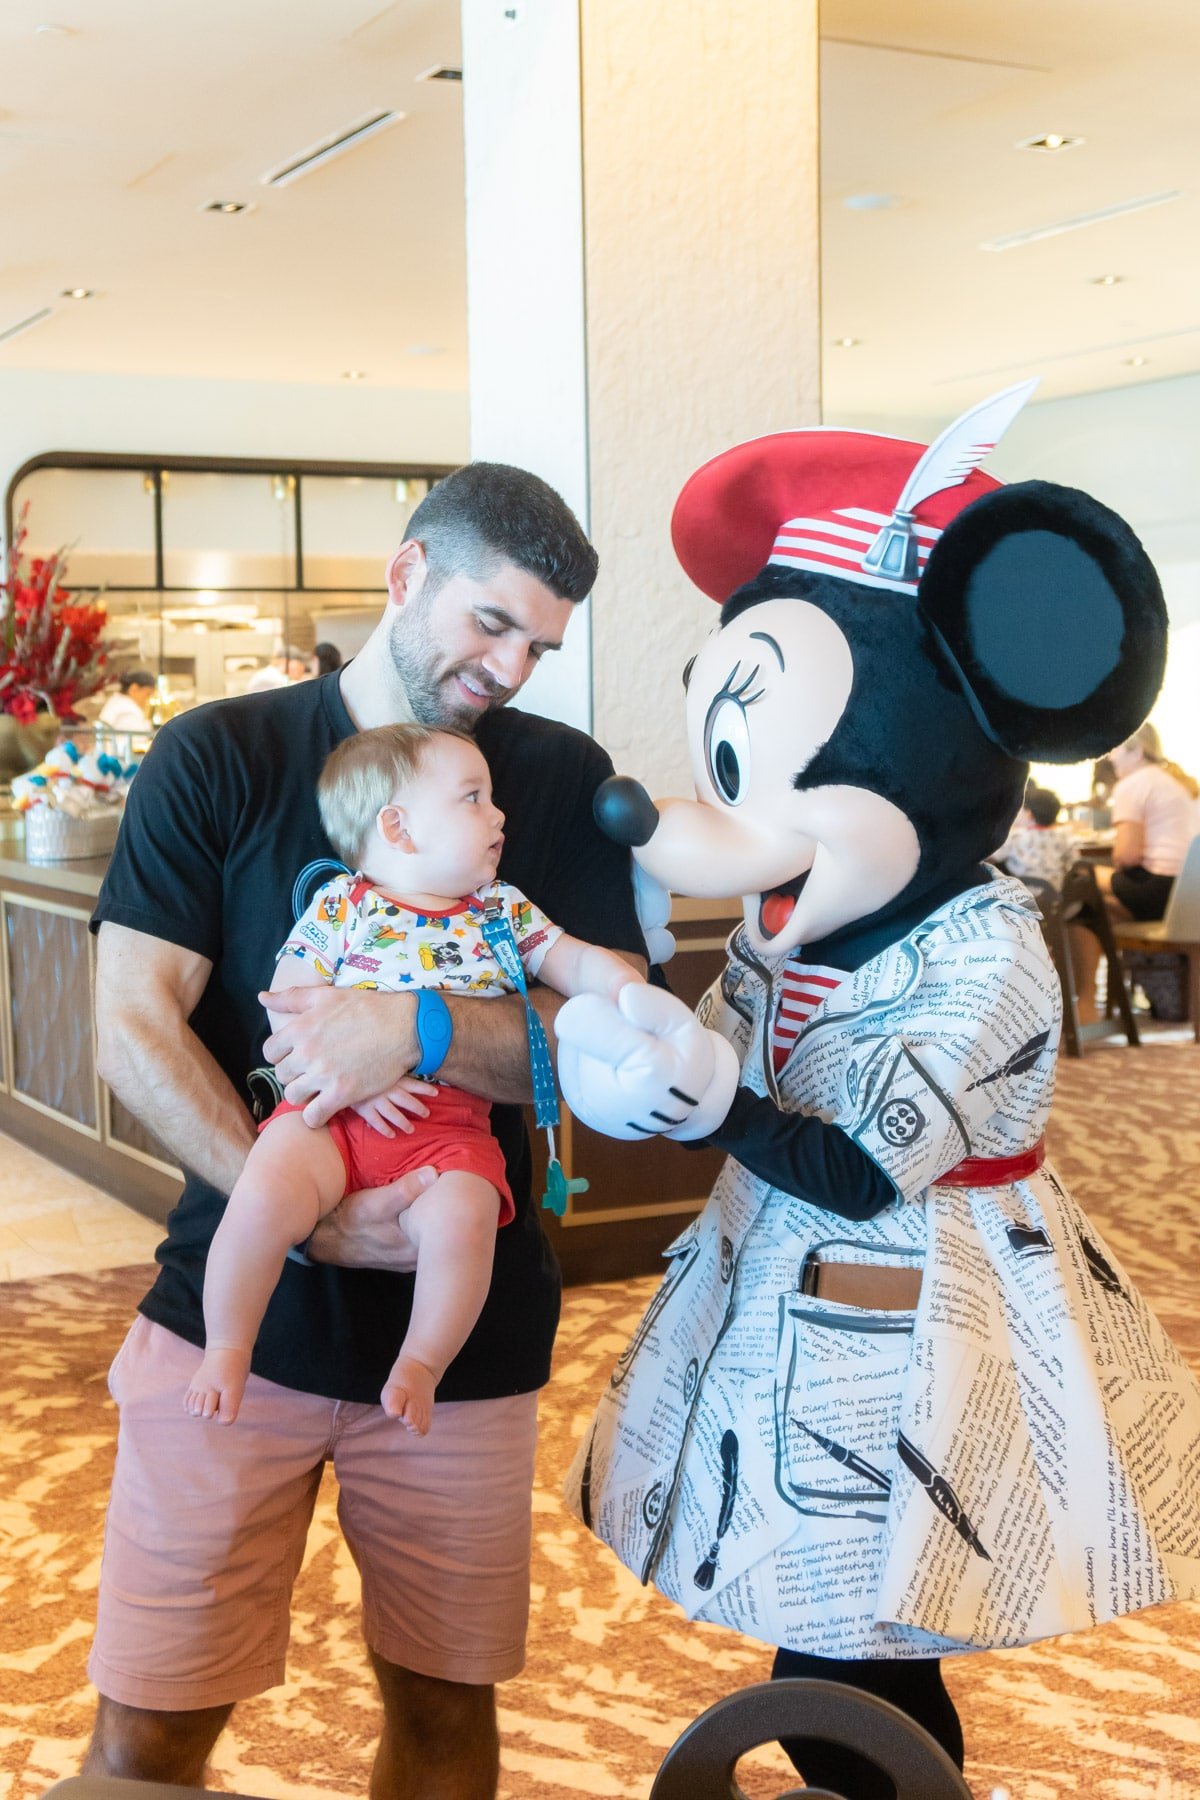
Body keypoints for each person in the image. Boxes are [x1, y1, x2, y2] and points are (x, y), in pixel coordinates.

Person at [85, 462, 647, 1798]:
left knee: (449, 1722)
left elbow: (611, 1046)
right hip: (233, 1316)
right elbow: (132, 1025)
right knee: (149, 1736)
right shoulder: (219, 755)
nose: (512, 666)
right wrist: (310, 1216)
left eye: (540, 644)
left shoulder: (555, 785)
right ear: (407, 577)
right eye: (490, 625)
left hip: (462, 1343)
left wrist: (424, 1033)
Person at [186, 722, 641, 1434]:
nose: (499, 815)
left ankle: (422, 1361)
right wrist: (365, 1077)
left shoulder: (503, 910)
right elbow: (286, 1009)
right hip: (332, 1117)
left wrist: (624, 987)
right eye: (472, 798)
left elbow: (576, 962)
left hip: (450, 1132)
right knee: (263, 1194)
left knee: (464, 1220)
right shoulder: (341, 906)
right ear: (396, 828)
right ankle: (226, 1345)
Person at [1069, 721, 1200, 1021]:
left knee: (1078, 884)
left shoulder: (1134, 784)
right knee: (1092, 905)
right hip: (1187, 895)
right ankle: (1095, 1003)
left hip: (1158, 888)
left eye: (1115, 750)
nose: (1110, 757)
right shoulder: (1177, 782)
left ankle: (1085, 1004)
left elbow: (1127, 856)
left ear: (1137, 751)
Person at [993, 784, 1077, 893]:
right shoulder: (1063, 837)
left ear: (1029, 814)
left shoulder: (1015, 837)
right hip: (1057, 900)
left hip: (1025, 900)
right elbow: (1074, 863)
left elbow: (991, 857)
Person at [98, 669, 155, 734]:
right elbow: (137, 741)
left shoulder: (118, 702)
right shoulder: (127, 712)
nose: (148, 700)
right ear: (134, 689)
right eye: (147, 694)